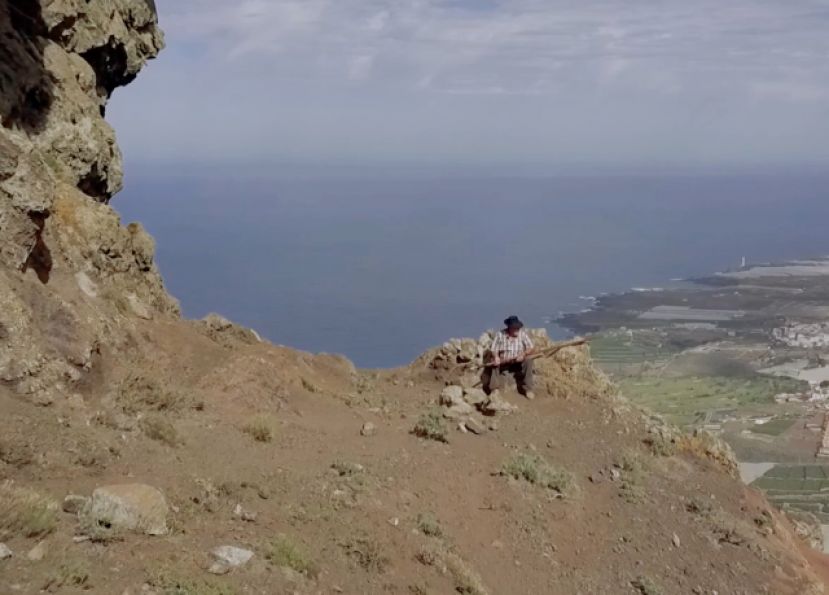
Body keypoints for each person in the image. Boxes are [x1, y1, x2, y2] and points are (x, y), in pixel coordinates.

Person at [482, 315, 536, 400]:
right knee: (494, 362)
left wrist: (523, 354)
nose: (517, 329)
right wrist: (496, 357)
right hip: (504, 362)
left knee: (529, 360)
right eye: (515, 328)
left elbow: (531, 348)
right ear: (510, 328)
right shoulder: (500, 334)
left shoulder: (522, 334)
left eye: (518, 328)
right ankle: (494, 390)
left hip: (518, 361)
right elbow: (494, 349)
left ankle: (528, 389)